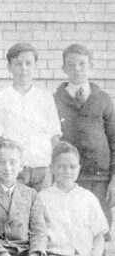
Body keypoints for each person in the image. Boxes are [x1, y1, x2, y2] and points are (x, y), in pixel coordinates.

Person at [54, 44, 115, 223]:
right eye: (71, 65)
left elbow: (114, 140)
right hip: (68, 176)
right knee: (70, 227)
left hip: (99, 178)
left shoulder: (103, 99)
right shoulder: (55, 100)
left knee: (99, 228)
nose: (77, 69)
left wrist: (113, 179)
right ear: (63, 68)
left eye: (82, 64)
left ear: (91, 65)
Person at [0, 42, 62, 192]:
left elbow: (54, 137)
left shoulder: (45, 98)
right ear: (10, 67)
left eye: (28, 63)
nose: (24, 68)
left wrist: (54, 168)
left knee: (41, 212)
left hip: (42, 168)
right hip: (14, 171)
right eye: (18, 64)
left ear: (35, 66)